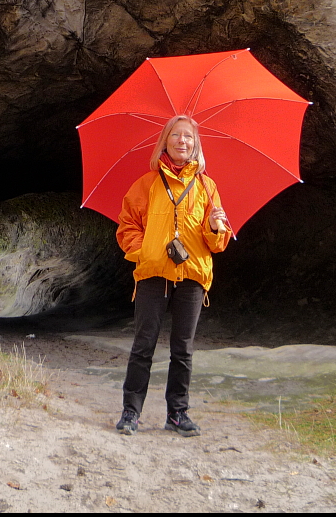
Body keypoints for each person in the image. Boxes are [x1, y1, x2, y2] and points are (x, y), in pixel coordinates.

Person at [114, 114, 232, 436]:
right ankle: (131, 412)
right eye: (176, 136)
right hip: (153, 275)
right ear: (165, 142)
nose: (183, 141)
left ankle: (177, 414)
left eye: (189, 137)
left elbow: (217, 243)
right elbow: (127, 227)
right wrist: (147, 252)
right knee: (144, 344)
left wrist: (214, 226)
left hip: (193, 276)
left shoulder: (208, 187)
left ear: (196, 145)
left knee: (183, 349)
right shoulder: (146, 184)